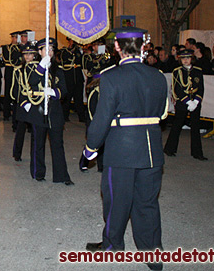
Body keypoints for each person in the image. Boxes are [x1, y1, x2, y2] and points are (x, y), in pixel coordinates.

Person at [83, 27, 168, 271]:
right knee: (147, 203)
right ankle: (153, 255)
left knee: (116, 202)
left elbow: (102, 119)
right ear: (143, 46)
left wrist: (90, 147)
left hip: (121, 150)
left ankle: (112, 248)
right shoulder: (158, 76)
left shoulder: (111, 77)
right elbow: (162, 113)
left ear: (117, 48)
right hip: (152, 149)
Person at [16, 37, 73, 185]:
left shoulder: (57, 69)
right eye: (46, 50)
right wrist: (41, 66)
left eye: (52, 49)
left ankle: (61, 175)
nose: (50, 52)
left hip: (53, 108)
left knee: (57, 143)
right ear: (39, 52)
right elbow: (32, 81)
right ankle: (38, 172)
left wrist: (54, 92)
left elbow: (64, 90)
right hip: (38, 108)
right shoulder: (31, 68)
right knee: (38, 142)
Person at [163, 49, 207, 161]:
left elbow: (200, 88)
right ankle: (170, 149)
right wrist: (187, 101)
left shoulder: (198, 71)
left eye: (188, 58)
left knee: (195, 127)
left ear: (192, 59)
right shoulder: (177, 71)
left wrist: (196, 101)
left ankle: (197, 152)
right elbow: (177, 88)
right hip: (183, 102)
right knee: (177, 125)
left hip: (195, 103)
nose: (185, 60)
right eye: (183, 58)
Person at [10, 43, 38, 161]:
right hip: (23, 102)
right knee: (20, 130)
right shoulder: (18, 70)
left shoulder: (39, 69)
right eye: (25, 54)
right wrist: (23, 102)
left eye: (30, 54)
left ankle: (35, 155)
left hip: (36, 101)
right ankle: (17, 153)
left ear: (34, 55)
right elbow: (15, 89)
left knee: (36, 131)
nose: (27, 57)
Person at [58, 38, 86, 122]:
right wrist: (70, 49)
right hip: (69, 76)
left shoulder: (78, 51)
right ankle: (65, 116)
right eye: (71, 41)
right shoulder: (64, 51)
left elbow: (81, 61)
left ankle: (81, 116)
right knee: (67, 98)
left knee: (79, 98)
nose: (72, 42)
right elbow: (63, 60)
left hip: (77, 77)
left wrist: (78, 50)